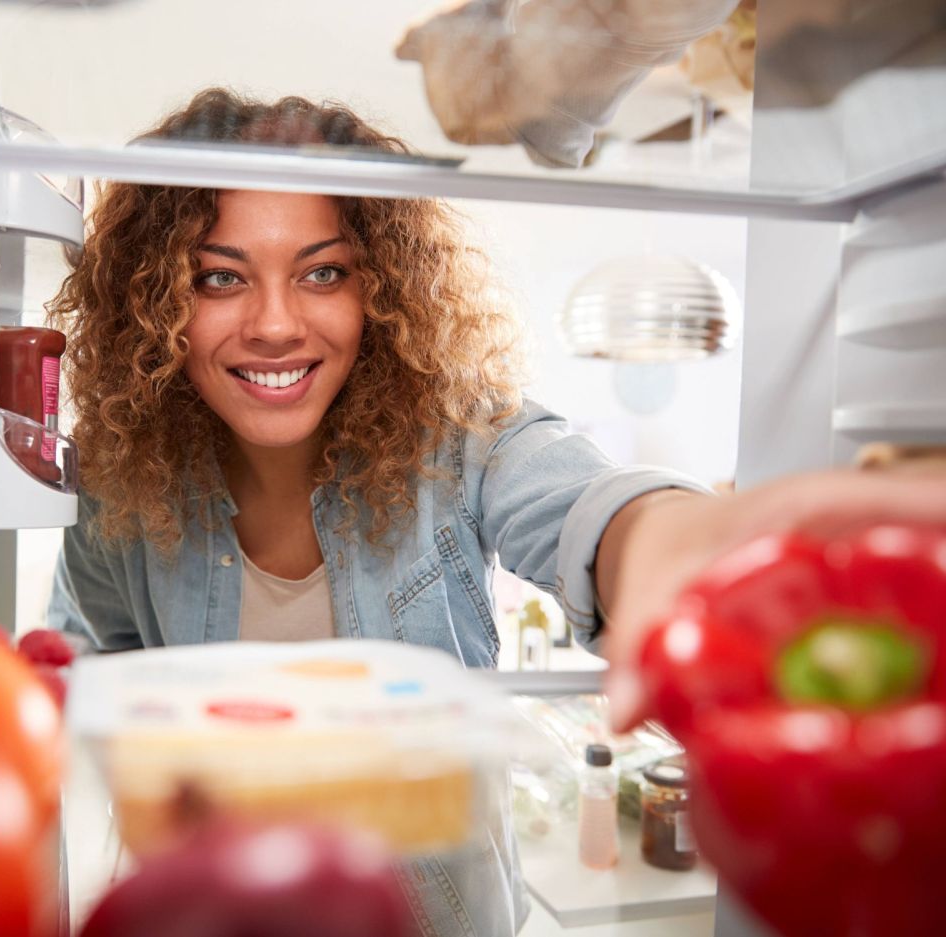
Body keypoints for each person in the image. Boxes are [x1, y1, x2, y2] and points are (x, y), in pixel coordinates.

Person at [46, 87, 946, 935]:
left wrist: (676, 537)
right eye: (218, 279)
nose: (277, 323)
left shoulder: (459, 440)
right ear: (153, 302)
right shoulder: (124, 485)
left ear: (381, 292)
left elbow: (583, 505)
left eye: (323, 273)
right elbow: (106, 661)